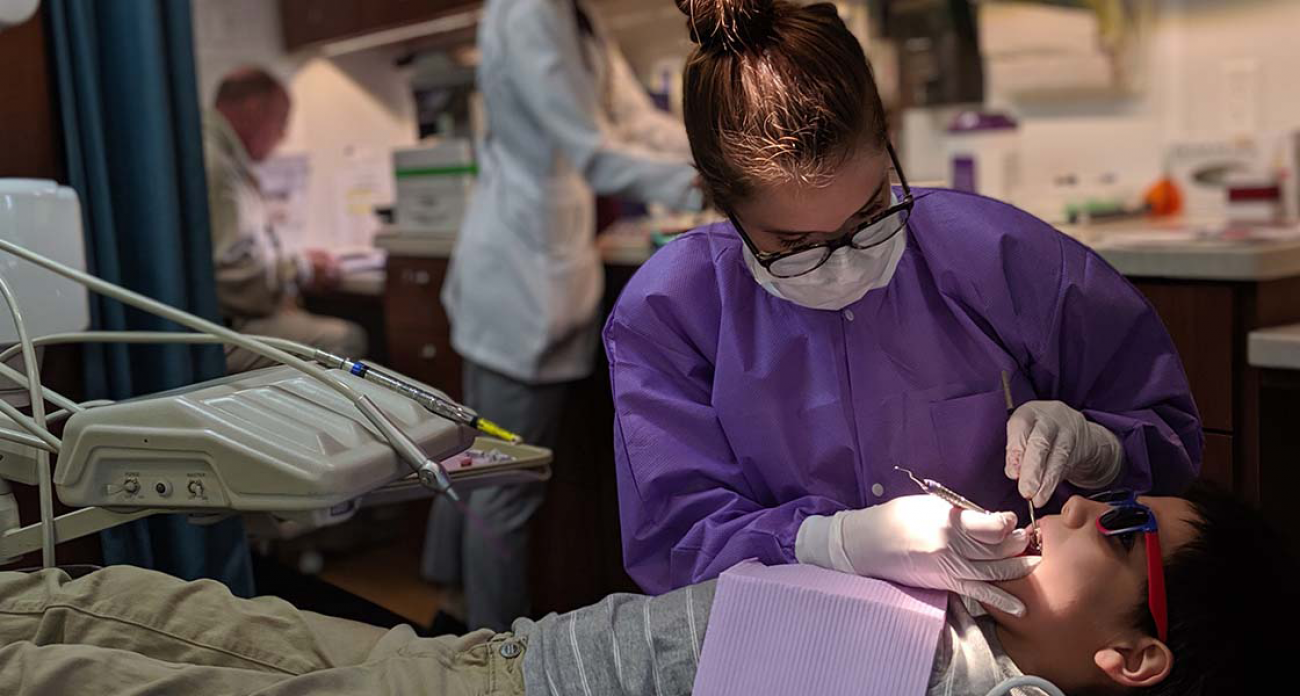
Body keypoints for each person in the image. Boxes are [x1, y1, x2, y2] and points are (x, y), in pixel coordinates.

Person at [604, 0, 1203, 611]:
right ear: (719, 201)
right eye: (794, 246)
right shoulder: (671, 314)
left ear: (888, 143)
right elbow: (676, 542)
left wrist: (1099, 449)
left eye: (868, 216)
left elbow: (1165, 440)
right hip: (792, 643)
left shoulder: (1001, 258)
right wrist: (833, 543)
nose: (844, 260)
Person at [0, 483, 1288, 695]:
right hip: (503, 659)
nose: (1075, 505)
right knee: (178, 620)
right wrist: (849, 542)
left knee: (135, 676)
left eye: (1116, 529)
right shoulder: (983, 604)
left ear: (1133, 659)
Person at [425, 0, 703, 631]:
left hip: (545, 272)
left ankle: (452, 609)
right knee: (503, 485)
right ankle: (488, 655)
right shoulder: (527, 12)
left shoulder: (577, 16)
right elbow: (592, 150)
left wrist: (713, 146)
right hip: (517, 284)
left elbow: (632, 119)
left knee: (483, 468)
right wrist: (706, 180)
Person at [203, 66, 367, 373]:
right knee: (344, 340)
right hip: (219, 331)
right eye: (281, 121)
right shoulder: (217, 166)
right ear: (254, 109)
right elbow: (229, 278)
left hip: (219, 321)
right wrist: (301, 269)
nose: (283, 135)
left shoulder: (216, 154)